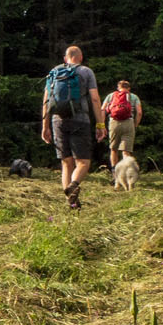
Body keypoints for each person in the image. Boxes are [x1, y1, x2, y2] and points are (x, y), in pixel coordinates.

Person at [41, 45, 104, 209]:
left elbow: (46, 101)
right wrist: (100, 124)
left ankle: (72, 203)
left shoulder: (54, 72)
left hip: (57, 120)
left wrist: (45, 126)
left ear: (65, 58)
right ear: (80, 57)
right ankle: (73, 186)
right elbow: (95, 100)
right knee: (83, 162)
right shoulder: (86, 72)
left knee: (66, 163)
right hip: (79, 119)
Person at [105, 79, 143, 167]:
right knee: (126, 151)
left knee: (113, 149)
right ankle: (126, 175)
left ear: (118, 87)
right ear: (129, 88)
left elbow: (103, 109)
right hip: (129, 122)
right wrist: (135, 125)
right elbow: (139, 113)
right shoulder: (134, 97)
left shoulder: (111, 96)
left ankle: (115, 175)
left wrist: (101, 125)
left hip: (114, 122)